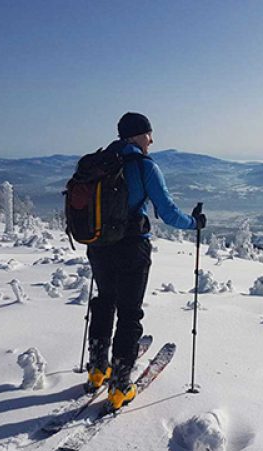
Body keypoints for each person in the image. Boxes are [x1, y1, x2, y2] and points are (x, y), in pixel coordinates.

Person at [85, 112, 206, 411]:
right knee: (129, 314)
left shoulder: (97, 162)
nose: (152, 140)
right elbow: (167, 212)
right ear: (137, 135)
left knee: (104, 301)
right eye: (149, 134)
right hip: (131, 249)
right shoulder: (144, 167)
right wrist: (195, 223)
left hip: (98, 246)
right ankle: (120, 388)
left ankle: (98, 369)